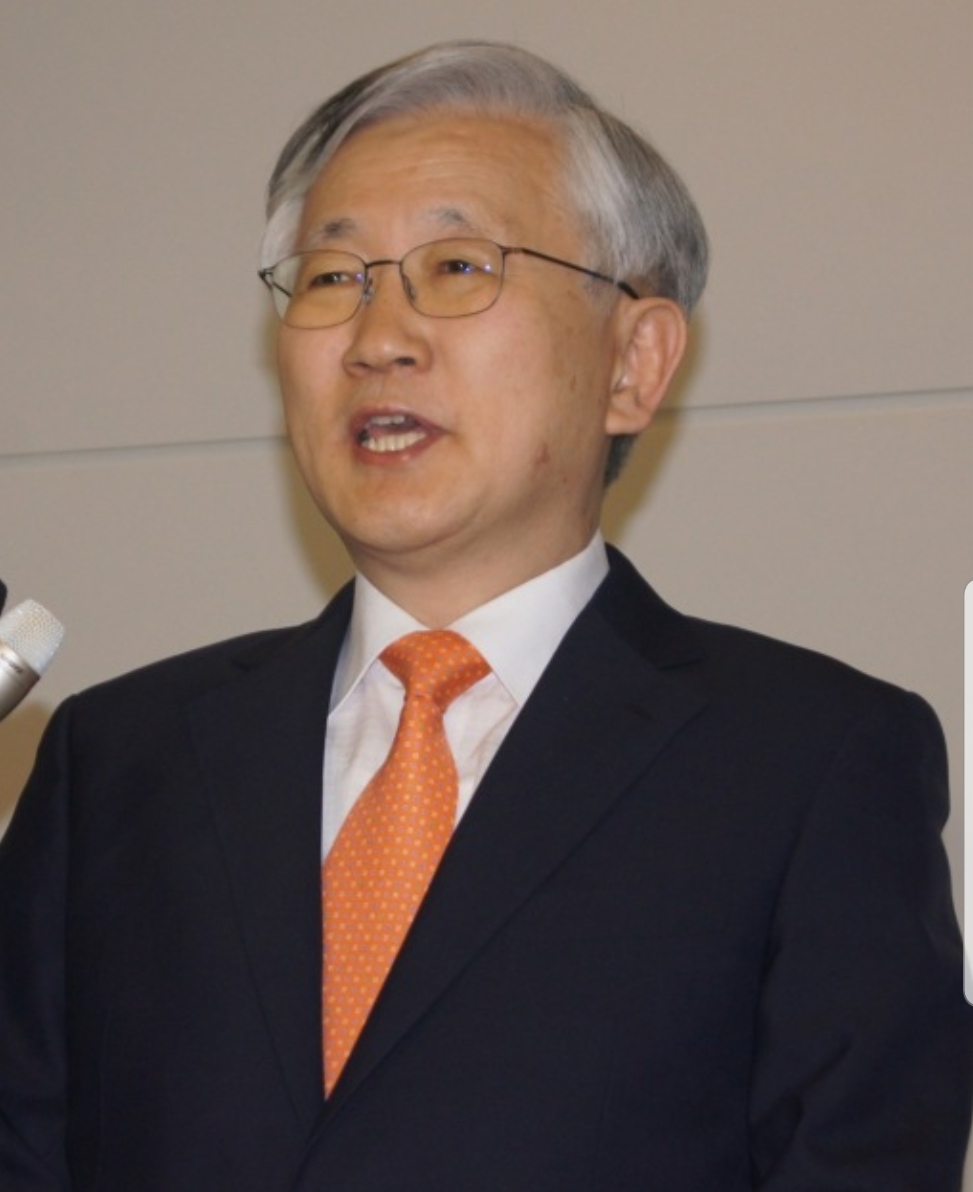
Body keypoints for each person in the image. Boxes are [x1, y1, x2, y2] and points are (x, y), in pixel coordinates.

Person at [0, 40, 970, 1192]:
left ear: (633, 362)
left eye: (458, 266)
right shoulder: (118, 760)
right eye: (333, 277)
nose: (378, 338)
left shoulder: (810, 764)